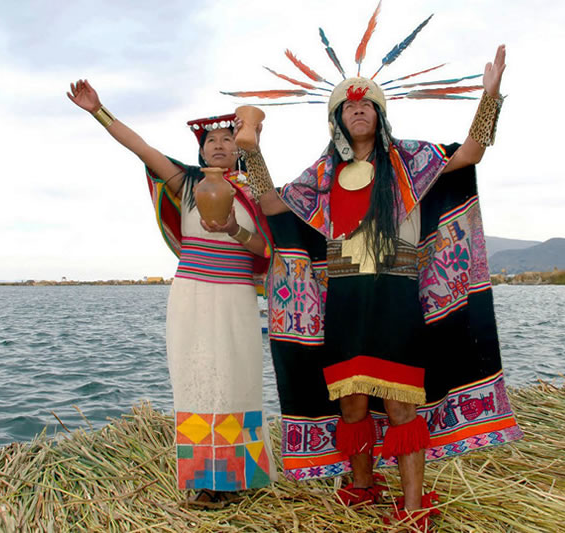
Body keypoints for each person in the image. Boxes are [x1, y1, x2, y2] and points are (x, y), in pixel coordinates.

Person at [239, 42, 522, 529]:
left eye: (366, 104)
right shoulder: (323, 175)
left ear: (379, 113)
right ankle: (363, 485)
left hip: (396, 298)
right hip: (344, 301)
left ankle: (413, 504)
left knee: (399, 404)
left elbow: (472, 152)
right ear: (338, 120)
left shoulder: (409, 159)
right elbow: (270, 206)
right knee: (351, 404)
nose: (358, 110)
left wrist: (490, 96)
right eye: (349, 107)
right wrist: (252, 151)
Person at [66, 79, 277, 506]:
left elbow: (268, 249)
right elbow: (140, 147)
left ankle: (237, 478)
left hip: (236, 296)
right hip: (192, 294)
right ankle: (206, 482)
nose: (218, 145)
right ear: (200, 152)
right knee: (197, 382)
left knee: (238, 382)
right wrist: (98, 111)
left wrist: (235, 229)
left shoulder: (257, 189)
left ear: (238, 146)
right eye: (210, 141)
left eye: (226, 139)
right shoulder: (187, 185)